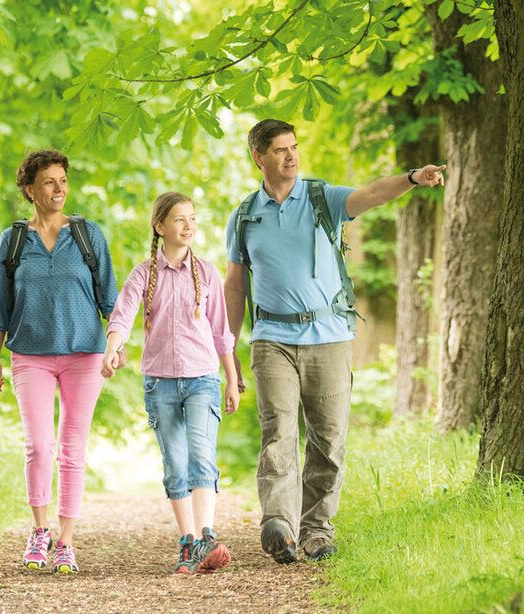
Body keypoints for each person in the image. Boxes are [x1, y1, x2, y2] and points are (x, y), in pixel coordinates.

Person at [223, 119, 445, 563]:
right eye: (281, 150)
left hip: (328, 336)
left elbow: (373, 192)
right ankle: (280, 525)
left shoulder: (324, 199)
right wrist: (227, 347)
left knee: (327, 439)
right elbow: (234, 284)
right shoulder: (245, 216)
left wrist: (412, 178)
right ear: (258, 157)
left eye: (294, 147)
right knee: (278, 431)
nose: (291, 156)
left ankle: (317, 531)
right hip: (272, 339)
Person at [0, 149, 118, 574]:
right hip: (30, 354)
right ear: (30, 190)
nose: (59, 189)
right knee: (40, 446)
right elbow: (0, 305)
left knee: (72, 449)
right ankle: (39, 532)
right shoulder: (14, 240)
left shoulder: (86, 234)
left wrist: (115, 345)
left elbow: (110, 299)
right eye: (49, 182)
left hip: (85, 353)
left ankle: (65, 541)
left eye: (63, 180)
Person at [102, 192, 240, 574]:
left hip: (201, 379)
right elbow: (122, 316)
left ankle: (208, 535)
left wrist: (231, 378)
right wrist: (112, 349)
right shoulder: (143, 274)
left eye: (192, 218)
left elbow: (220, 332)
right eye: (180, 219)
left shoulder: (208, 272)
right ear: (160, 227)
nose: (189, 225)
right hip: (159, 381)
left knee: (201, 454)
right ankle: (189, 542)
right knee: (175, 464)